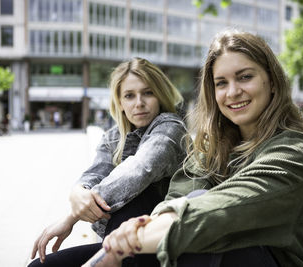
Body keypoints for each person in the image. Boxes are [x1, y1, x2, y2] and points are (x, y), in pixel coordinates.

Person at [83, 30, 303, 267]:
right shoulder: (210, 148)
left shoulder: (293, 152)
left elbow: (225, 210)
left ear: (272, 81)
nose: (232, 92)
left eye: (245, 77)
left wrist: (130, 240)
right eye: (221, 83)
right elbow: (179, 195)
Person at [29, 57, 187, 267]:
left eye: (148, 93)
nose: (139, 102)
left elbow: (139, 170)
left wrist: (71, 217)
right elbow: (96, 172)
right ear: (120, 103)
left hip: (158, 246)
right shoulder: (114, 136)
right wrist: (79, 190)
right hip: (117, 243)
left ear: (160, 95)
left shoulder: (170, 128)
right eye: (129, 96)